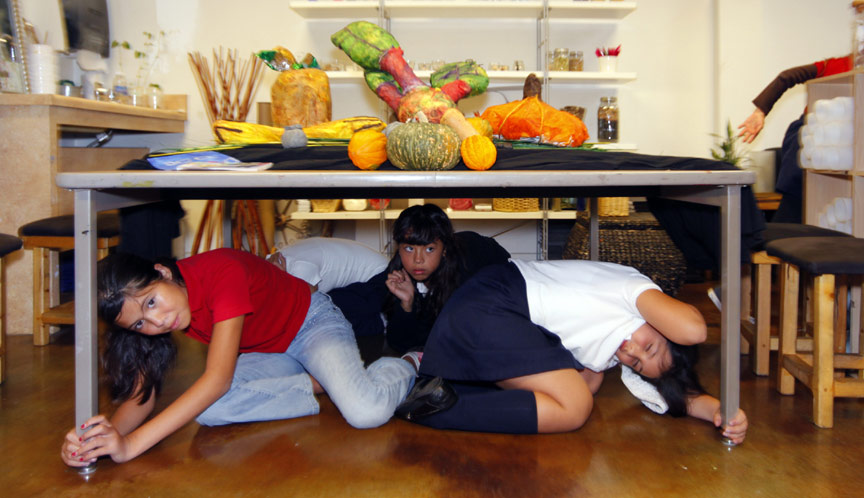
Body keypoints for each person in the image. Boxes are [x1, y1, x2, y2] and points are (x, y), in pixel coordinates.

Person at [60, 248, 418, 468]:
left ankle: (404, 364)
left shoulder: (221, 271)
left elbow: (217, 380)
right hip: (267, 351)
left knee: (365, 412)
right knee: (209, 409)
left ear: (163, 272)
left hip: (311, 324)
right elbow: (141, 398)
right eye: (140, 323)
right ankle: (321, 382)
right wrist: (102, 441)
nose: (157, 321)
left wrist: (130, 446)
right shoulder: (158, 315)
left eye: (151, 301)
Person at [397, 259, 748, 444]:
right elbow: (694, 330)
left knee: (589, 381)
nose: (632, 352)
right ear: (663, 323)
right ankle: (432, 407)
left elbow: (667, 391)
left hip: (498, 308)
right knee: (576, 405)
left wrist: (721, 411)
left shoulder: (614, 345)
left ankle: (446, 390)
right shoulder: (634, 291)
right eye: (650, 346)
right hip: (494, 303)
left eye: (637, 364)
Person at [328, 204, 511, 355]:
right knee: (365, 302)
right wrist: (406, 304)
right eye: (409, 248)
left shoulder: (464, 275)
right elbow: (399, 343)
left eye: (429, 249)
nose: (418, 260)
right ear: (399, 248)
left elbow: (432, 341)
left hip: (501, 282)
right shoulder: (400, 270)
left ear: (444, 250)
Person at [738, 55, 853, 223]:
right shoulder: (835, 65)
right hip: (810, 141)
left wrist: (760, 112)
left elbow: (785, 77)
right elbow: (787, 77)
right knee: (796, 205)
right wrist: (760, 111)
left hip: (838, 148)